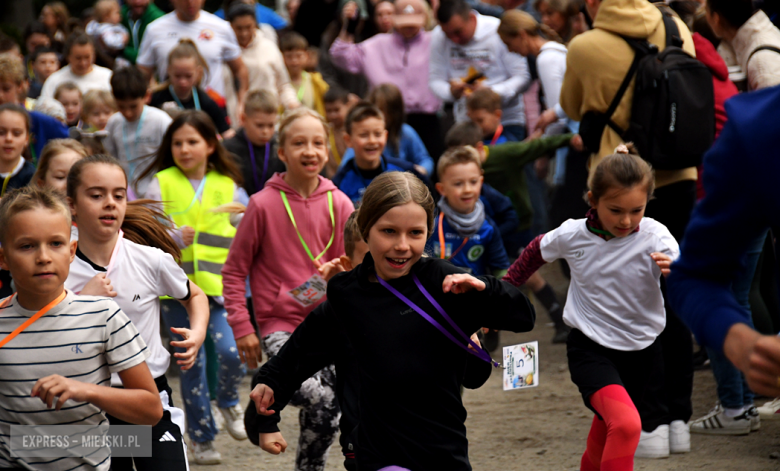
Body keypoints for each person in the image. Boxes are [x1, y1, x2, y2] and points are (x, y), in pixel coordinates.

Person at [251, 171, 534, 470]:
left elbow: (523, 317)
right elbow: (298, 354)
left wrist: (487, 290)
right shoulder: (347, 294)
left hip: (442, 451)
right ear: (366, 228)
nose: (402, 245)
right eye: (389, 231)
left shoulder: (444, 282)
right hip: (377, 453)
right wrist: (266, 414)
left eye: (415, 233)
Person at [560, 0, 698, 447]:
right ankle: (679, 421)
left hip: (619, 187)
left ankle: (649, 422)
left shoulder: (584, 45)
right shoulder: (676, 26)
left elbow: (571, 103)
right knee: (670, 292)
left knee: (628, 301)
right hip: (677, 177)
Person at [505, 148, 681, 467]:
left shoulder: (657, 236)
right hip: (591, 349)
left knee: (606, 430)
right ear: (592, 199)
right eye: (615, 210)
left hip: (644, 353)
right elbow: (534, 252)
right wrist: (500, 294)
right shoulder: (573, 234)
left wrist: (680, 273)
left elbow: (688, 272)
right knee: (627, 425)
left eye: (636, 210)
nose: (626, 221)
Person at [222, 107, 353, 471]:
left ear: (328, 150)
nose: (309, 151)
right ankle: (268, 390)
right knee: (317, 395)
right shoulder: (261, 205)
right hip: (280, 325)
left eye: (317, 143)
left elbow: (357, 268)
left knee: (331, 408)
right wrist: (242, 328)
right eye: (299, 143)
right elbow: (234, 272)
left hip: (329, 323)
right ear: (282, 152)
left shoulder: (340, 203)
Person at [0, 185, 163, 470]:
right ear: (3, 258)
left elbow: (151, 410)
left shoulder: (104, 316)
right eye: (27, 246)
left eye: (56, 243)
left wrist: (85, 390)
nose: (43, 257)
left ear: (72, 250)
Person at [65, 154, 210, 470]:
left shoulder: (151, 260)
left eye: (118, 195)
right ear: (72, 204)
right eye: (96, 195)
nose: (110, 203)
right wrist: (82, 301)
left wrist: (197, 333)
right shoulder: (57, 265)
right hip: (91, 406)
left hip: (149, 399)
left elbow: (194, 295)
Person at [137, 110, 248, 465]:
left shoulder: (230, 185)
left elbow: (249, 227)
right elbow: (143, 233)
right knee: (191, 365)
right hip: (175, 291)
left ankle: (229, 401)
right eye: (178, 142)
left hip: (219, 288)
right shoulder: (160, 182)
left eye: (192, 142)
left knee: (230, 353)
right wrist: (170, 236)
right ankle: (201, 438)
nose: (184, 149)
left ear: (211, 145)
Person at [444, 120, 576, 343]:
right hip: (484, 239)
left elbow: (511, 216)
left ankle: (557, 316)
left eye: (463, 155)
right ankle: (488, 333)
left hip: (512, 232)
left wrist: (493, 234)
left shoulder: (494, 181)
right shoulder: (460, 193)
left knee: (529, 276)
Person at [329, 0, 444, 159]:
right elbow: (340, 55)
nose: (408, 27)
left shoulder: (436, 41)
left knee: (431, 168)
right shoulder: (376, 44)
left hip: (427, 118)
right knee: (391, 172)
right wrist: (349, 28)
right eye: (404, 23)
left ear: (426, 18)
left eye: (414, 22)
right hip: (387, 119)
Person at [429, 0, 532, 139]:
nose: (454, 39)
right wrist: (451, 92)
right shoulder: (438, 36)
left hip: (506, 121)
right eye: (448, 35)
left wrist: (491, 92)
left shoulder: (496, 30)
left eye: (458, 32)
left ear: (471, 18)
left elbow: (522, 77)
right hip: (466, 123)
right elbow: (435, 80)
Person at [136, 0, 249, 106]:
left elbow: (239, 69)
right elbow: (142, 74)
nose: (190, 2)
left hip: (212, 109)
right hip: (170, 108)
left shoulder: (221, 27)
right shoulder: (154, 30)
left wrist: (242, 102)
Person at [427, 146, 511, 278]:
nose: (467, 189)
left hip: (474, 296)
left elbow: (500, 269)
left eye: (473, 182)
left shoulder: (488, 227)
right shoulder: (431, 223)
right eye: (458, 183)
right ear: (441, 189)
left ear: (481, 182)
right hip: (434, 295)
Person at [332, 101, 428, 206]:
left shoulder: (406, 172)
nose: (372, 141)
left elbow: (430, 204)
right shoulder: (339, 183)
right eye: (364, 135)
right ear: (348, 140)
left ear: (385, 136)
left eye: (378, 134)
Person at [224, 3, 299, 131]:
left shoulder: (268, 47)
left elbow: (283, 85)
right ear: (230, 26)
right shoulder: (223, 51)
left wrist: (292, 103)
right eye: (239, 28)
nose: (244, 33)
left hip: (268, 124)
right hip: (234, 126)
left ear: (256, 25)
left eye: (248, 27)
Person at [105, 65, 173, 198]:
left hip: (156, 194)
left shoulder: (160, 121)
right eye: (121, 107)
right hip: (124, 193)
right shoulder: (113, 123)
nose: (128, 112)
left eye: (133, 106)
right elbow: (110, 157)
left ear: (147, 96)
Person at [149, 39, 232, 138]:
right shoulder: (155, 98)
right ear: (169, 71)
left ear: (198, 72)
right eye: (177, 76)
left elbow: (227, 133)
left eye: (188, 76)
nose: (183, 82)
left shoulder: (206, 101)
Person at [0, 55, 68, 160]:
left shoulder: (40, 121)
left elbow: (70, 147)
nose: (0, 95)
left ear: (20, 86)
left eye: (6, 89)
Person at [222, 89, 287, 196]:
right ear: (243, 119)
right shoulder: (228, 149)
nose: (266, 131)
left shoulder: (280, 147)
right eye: (259, 125)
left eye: (271, 125)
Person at [705, 0, 780, 91]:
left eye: (705, 10)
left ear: (716, 19)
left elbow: (772, 103)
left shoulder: (761, 64)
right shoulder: (754, 39)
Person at [40, 32, 113, 99]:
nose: (83, 63)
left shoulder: (107, 77)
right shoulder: (54, 81)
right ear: (68, 57)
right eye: (78, 58)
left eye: (87, 57)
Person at [280, 32, 328, 117]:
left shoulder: (316, 81)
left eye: (299, 56)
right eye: (289, 57)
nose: (294, 61)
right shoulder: (278, 83)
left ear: (307, 56)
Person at [0, 104, 35, 197]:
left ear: (27, 139)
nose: (8, 138)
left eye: (16, 133)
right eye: (1, 132)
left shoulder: (31, 177)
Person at [121, 0, 165, 65]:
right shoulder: (119, 15)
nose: (137, 2)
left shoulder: (159, 20)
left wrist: (122, 50)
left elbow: (151, 58)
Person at [322, 87, 353, 177]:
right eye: (329, 111)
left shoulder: (353, 130)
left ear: (347, 106)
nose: (333, 115)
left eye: (337, 110)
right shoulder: (325, 132)